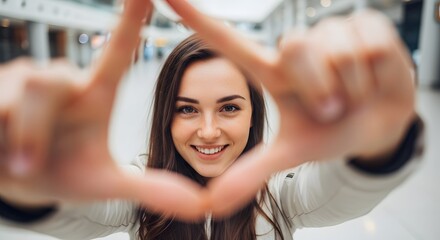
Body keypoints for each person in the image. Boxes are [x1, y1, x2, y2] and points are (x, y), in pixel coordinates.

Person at [0, 1, 424, 240]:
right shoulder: (137, 193)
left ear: (255, 113)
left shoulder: (280, 193)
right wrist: (31, 186)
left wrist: (377, 146)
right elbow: (80, 213)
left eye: (229, 107)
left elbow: (343, 192)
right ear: (165, 117)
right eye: (186, 109)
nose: (207, 130)